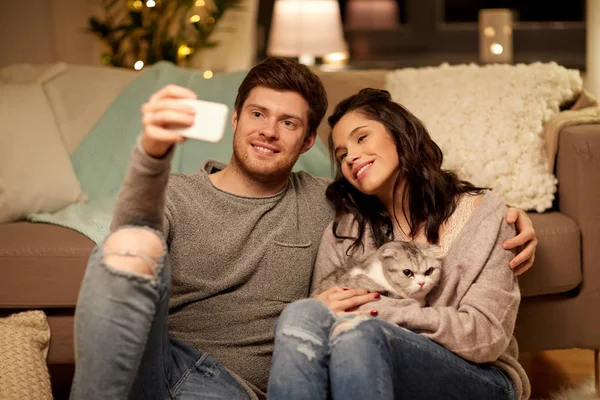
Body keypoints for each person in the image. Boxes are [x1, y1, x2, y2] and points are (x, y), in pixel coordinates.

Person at [70, 59, 536, 400]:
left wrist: (504, 212)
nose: (269, 131)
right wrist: (152, 153)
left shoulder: (331, 202)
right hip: (160, 362)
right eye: (257, 114)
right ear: (235, 120)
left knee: (321, 321)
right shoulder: (176, 193)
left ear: (306, 140)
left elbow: (423, 205)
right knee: (131, 243)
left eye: (288, 122)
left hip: (233, 389)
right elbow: (130, 238)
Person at [267, 88, 531, 400]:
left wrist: (386, 313)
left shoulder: (486, 217)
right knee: (301, 313)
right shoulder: (345, 231)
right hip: (370, 368)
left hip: (481, 378)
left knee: (361, 333)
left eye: (361, 138)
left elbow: (486, 335)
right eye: (341, 154)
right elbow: (324, 320)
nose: (350, 156)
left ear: (400, 134)